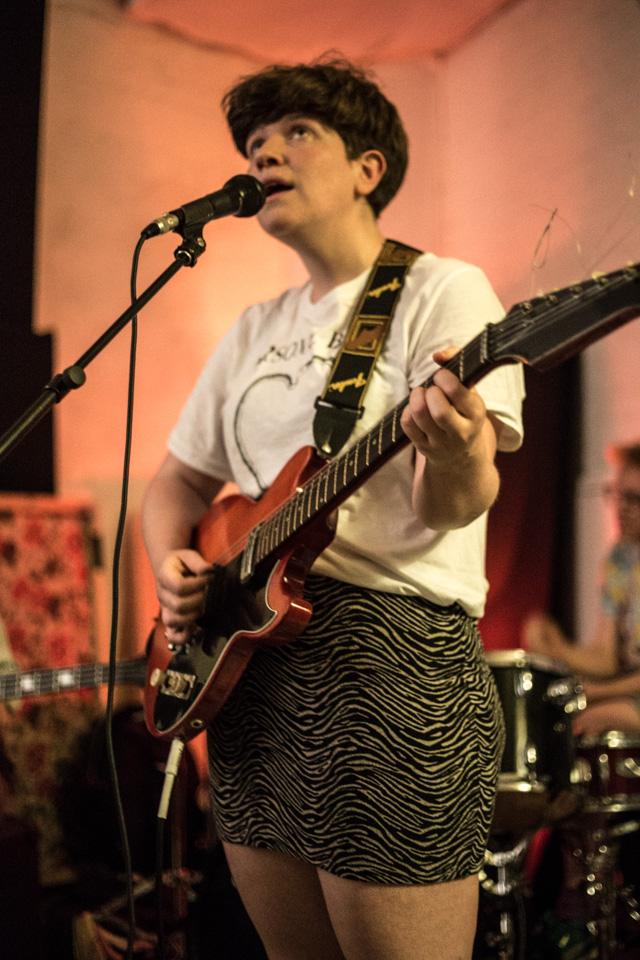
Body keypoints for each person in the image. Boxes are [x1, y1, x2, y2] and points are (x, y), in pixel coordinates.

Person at [141, 57, 525, 960]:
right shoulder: (254, 326)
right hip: (246, 672)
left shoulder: (442, 290)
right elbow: (174, 484)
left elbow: (459, 503)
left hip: (389, 663)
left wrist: (456, 446)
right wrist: (172, 567)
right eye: (253, 142)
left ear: (367, 168)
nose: (264, 153)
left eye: (296, 133)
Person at [524, 441, 640, 737]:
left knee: (593, 719)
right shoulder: (620, 560)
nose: (621, 508)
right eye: (616, 495)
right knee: (555, 716)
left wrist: (595, 692)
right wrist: (555, 649)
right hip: (629, 689)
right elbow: (606, 657)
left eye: (633, 498)